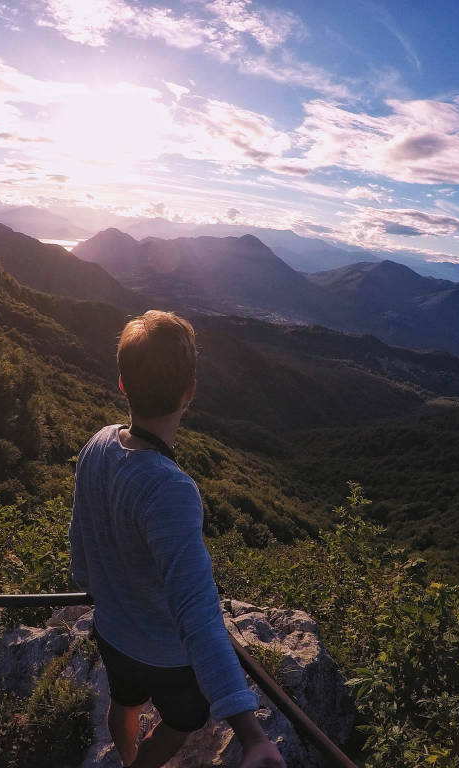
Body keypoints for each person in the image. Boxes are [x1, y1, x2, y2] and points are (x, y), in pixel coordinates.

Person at [69, 310, 285, 768]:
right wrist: (252, 734)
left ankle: (126, 755)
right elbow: (197, 612)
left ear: (122, 383)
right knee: (184, 721)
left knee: (124, 701)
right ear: (190, 392)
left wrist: (97, 590)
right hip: (166, 653)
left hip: (111, 628)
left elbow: (81, 538)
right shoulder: (169, 488)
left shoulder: (98, 444)